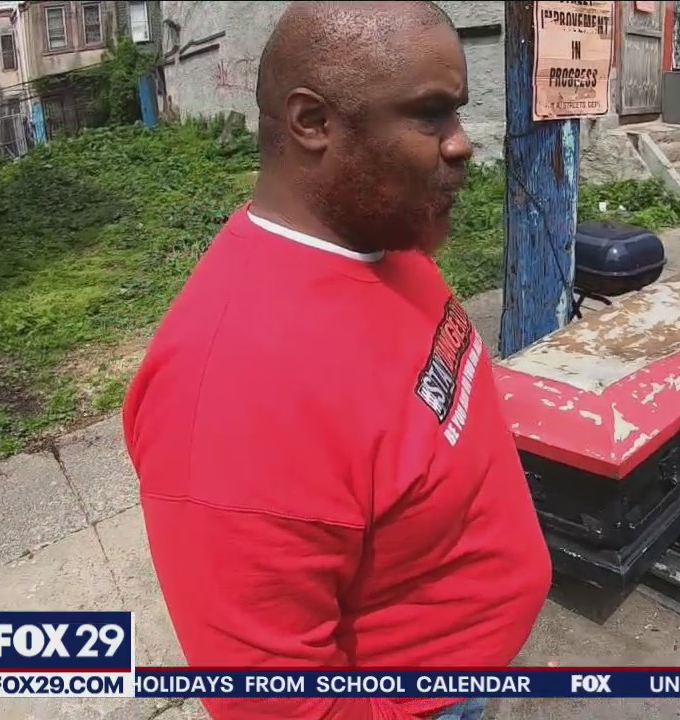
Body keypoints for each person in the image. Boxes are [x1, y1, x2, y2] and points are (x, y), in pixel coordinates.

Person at [122, 3, 552, 719]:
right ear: (312, 123)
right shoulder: (231, 394)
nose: (461, 145)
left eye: (458, 113)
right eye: (430, 115)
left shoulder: (385, 238)